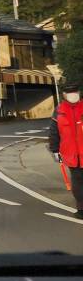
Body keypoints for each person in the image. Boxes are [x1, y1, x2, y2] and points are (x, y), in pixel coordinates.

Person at [49, 82, 83, 218]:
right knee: (78, 182)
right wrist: (55, 150)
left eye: (75, 92)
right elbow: (54, 132)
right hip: (71, 154)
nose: (72, 95)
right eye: (69, 92)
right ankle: (81, 208)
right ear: (64, 95)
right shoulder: (59, 111)